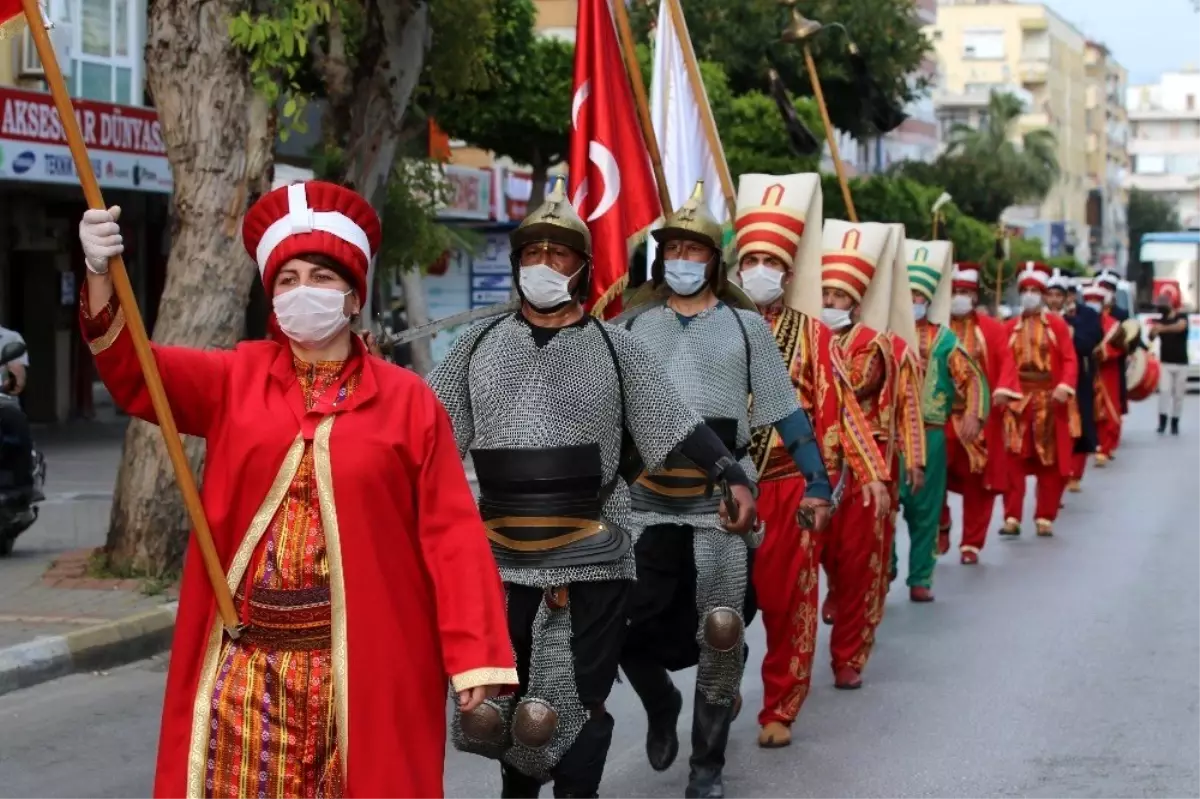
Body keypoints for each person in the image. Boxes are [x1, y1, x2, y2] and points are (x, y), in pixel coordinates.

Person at [76, 182, 517, 798]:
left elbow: (449, 533)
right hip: (245, 670)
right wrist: (100, 273)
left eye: (319, 277)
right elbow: (135, 372)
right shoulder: (234, 378)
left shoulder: (408, 401)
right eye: (287, 281)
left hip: (360, 665)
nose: (302, 291)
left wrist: (475, 652)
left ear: (354, 296)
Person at [429, 177, 756, 799]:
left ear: (583, 268)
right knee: (501, 711)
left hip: (594, 558)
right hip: (496, 557)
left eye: (558, 254)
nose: (543, 265)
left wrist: (731, 473)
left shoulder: (615, 347)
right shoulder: (475, 347)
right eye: (532, 253)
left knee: (569, 708)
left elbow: (675, 422)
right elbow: (419, 429)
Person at [618, 181, 831, 798]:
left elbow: (785, 411)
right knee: (619, 621)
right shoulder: (633, 325)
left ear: (714, 260)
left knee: (720, 628)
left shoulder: (744, 329)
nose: (684, 260)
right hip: (644, 499)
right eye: (674, 249)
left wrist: (815, 480)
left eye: (695, 249)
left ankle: (706, 766)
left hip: (721, 501)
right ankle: (659, 702)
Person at [731, 174, 889, 749]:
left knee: (787, 601)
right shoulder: (714, 328)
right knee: (717, 607)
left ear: (791, 275)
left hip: (789, 487)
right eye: (750, 258)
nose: (759, 269)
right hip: (720, 492)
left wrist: (869, 473)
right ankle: (718, 690)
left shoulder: (817, 338)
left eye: (771, 260)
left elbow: (841, 409)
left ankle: (780, 704)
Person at [817, 220, 898, 689]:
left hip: (862, 466)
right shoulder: (804, 335)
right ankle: (837, 593)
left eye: (840, 297)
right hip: (815, 467)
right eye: (824, 294)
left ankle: (849, 656)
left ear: (856, 303)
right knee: (818, 556)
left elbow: (856, 385)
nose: (830, 303)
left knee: (858, 561)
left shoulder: (872, 345)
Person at [893, 244, 987, 596]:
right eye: (909, 294)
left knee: (925, 510)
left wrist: (975, 412)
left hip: (930, 436)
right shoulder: (884, 332)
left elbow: (972, 378)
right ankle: (883, 567)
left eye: (920, 295)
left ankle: (920, 578)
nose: (914, 300)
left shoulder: (945, 339)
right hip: (888, 436)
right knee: (882, 509)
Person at [941, 263, 1020, 563]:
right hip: (943, 416)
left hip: (981, 417)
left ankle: (971, 543)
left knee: (979, 483)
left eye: (964, 292)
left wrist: (1002, 390)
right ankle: (942, 522)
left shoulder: (992, 329)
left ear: (974, 297)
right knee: (933, 474)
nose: (959, 297)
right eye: (955, 292)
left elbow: (1005, 363)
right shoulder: (937, 327)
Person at [999, 261, 1080, 538]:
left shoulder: (1057, 326)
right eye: (1026, 290)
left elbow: (1070, 360)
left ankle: (1045, 515)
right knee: (1013, 462)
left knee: (1051, 463)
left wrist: (1065, 386)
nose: (1030, 294)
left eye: (1036, 290)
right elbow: (1003, 363)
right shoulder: (1008, 327)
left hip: (1050, 401)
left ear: (1044, 295)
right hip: (1018, 402)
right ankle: (1011, 516)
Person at [1082, 282, 1124, 467]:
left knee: (1108, 410)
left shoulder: (1114, 326)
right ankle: (1094, 444)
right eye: (1088, 300)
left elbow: (1121, 347)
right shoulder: (1079, 322)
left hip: (1107, 373)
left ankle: (1106, 447)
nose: (1092, 303)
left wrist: (1103, 352)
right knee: (1089, 410)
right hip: (1085, 372)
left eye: (1096, 300)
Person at [1149, 289, 1189, 435]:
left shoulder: (1181, 316)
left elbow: (1180, 326)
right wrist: (1153, 331)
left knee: (1179, 395)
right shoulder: (1161, 320)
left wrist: (1162, 329)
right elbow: (1151, 337)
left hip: (1181, 363)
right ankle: (1162, 422)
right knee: (1164, 392)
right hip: (1165, 363)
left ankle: (1175, 422)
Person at [0, 324, 34, 494]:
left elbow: (17, 382)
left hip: (2, 401)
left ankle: (23, 485)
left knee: (14, 418)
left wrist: (11, 381)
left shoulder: (10, 339)